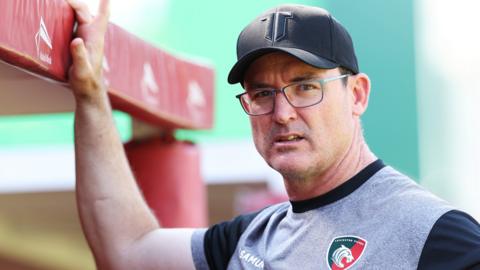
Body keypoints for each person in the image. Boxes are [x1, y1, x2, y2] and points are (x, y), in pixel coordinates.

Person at [67, 0, 480, 269]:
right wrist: (89, 95)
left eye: (305, 87)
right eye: (263, 93)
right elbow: (126, 250)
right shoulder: (250, 239)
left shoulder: (435, 234)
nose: (282, 113)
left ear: (356, 94)